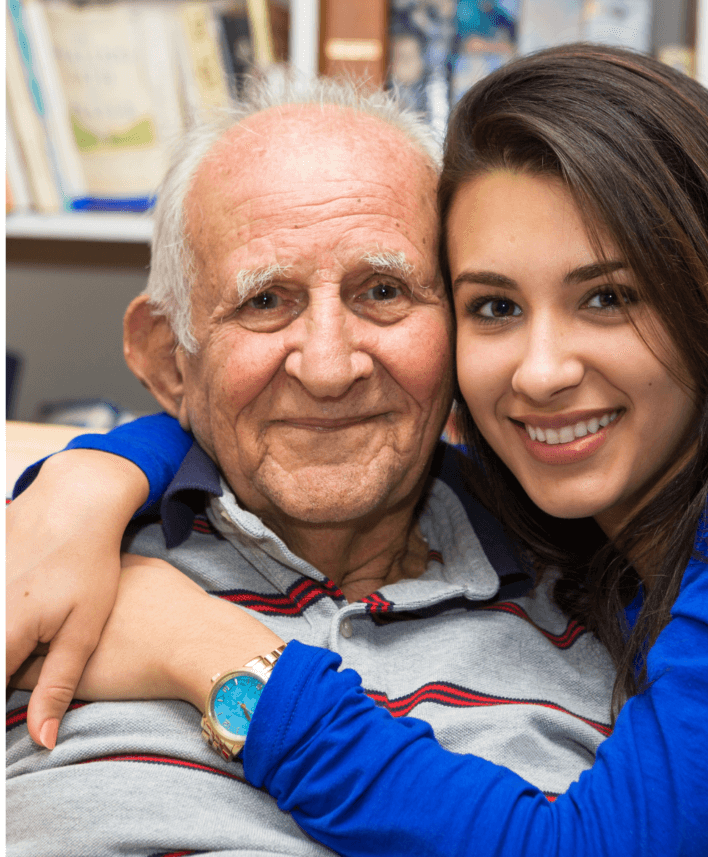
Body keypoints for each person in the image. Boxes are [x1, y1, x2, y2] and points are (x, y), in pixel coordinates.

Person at [9, 44, 708, 856]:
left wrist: (215, 654)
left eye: (608, 296)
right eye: (493, 305)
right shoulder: (583, 549)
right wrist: (98, 470)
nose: (538, 371)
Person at [4, 70, 618, 856]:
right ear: (170, 358)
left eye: (384, 290)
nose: (329, 368)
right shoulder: (45, 569)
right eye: (266, 301)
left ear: (467, 333)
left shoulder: (608, 600)